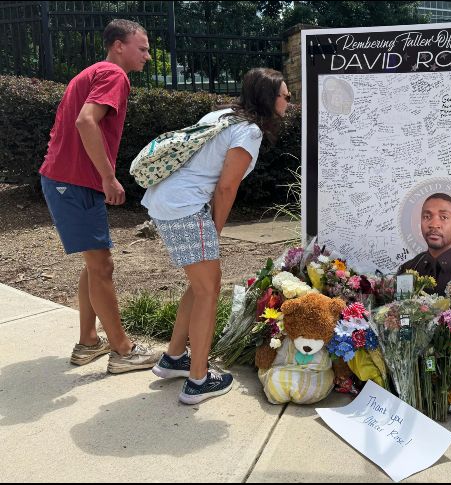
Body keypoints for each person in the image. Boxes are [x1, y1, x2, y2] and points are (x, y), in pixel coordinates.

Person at [142, 67, 291, 404]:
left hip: (168, 200)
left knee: (200, 285)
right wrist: (215, 230)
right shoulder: (250, 131)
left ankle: (174, 358)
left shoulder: (222, 115)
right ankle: (198, 381)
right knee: (209, 289)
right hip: (186, 206)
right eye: (284, 95)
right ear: (269, 98)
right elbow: (226, 187)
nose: (288, 101)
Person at [38, 19, 161, 373]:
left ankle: (89, 342)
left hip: (69, 180)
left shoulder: (94, 72)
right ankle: (123, 351)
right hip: (74, 181)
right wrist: (109, 177)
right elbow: (85, 121)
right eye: (143, 48)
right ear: (119, 46)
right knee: (102, 266)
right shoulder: (113, 74)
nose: (148, 56)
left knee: (95, 265)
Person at [398, 193, 451, 295]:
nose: (434, 225)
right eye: (427, 216)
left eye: (444, 217)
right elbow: (398, 307)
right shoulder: (408, 269)